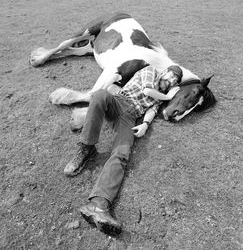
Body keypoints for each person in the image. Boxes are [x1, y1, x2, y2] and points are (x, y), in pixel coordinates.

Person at [64, 65, 183, 234]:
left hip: (130, 117)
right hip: (118, 102)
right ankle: (86, 148)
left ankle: (98, 205)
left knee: (122, 153)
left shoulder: (161, 97)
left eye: (175, 81)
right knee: (100, 95)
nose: (171, 81)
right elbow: (148, 90)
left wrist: (145, 124)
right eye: (171, 76)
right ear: (164, 72)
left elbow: (152, 109)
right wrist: (168, 96)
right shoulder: (151, 71)